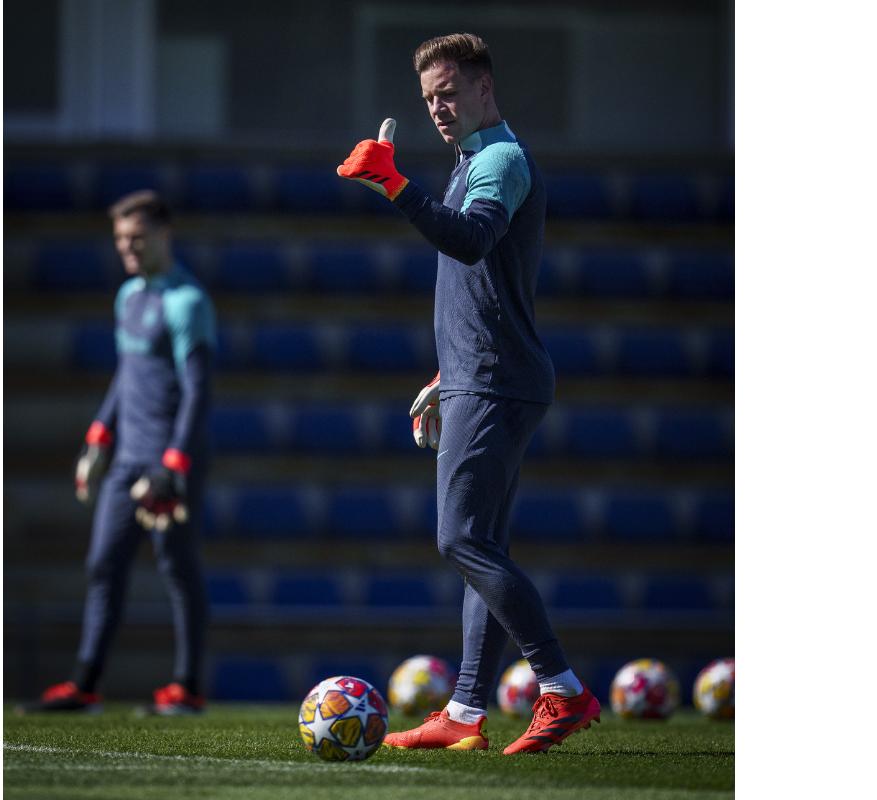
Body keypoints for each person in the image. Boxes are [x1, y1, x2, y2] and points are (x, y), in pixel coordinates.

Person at [337, 33, 601, 754]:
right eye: (429, 99)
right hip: (480, 377)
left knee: (458, 538)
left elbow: (471, 241)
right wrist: (444, 374)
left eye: (449, 92)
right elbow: (476, 288)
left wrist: (394, 186)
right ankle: (463, 712)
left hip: (497, 380)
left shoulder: (501, 161)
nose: (439, 108)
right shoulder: (470, 164)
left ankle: (561, 688)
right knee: (481, 545)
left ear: (485, 87)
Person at [19, 190, 216, 716]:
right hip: (126, 458)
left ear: (163, 235)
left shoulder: (187, 302)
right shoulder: (128, 296)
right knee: (103, 564)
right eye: (121, 239)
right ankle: (85, 684)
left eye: (136, 238)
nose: (127, 248)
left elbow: (196, 389)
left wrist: (175, 462)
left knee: (177, 568)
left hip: (167, 462)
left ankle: (188, 687)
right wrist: (99, 434)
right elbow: (127, 375)